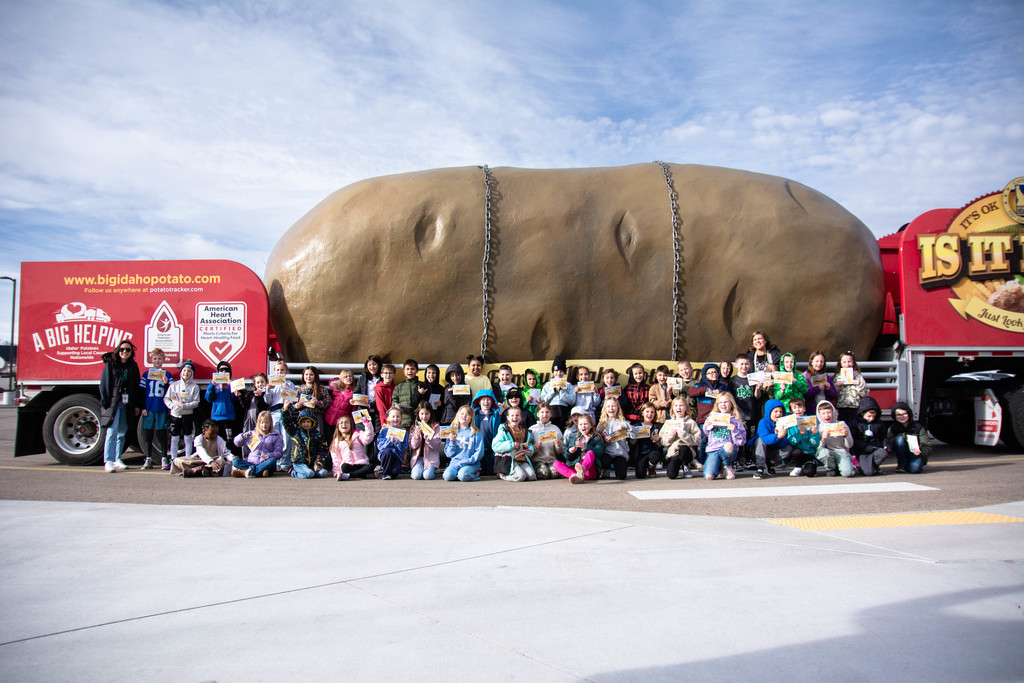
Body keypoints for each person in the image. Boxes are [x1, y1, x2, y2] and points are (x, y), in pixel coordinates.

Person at [99, 339, 143, 472]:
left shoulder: (133, 366)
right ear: (118, 351)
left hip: (127, 403)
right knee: (112, 431)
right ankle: (108, 461)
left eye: (128, 350)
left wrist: (136, 405)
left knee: (122, 431)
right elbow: (104, 384)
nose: (125, 352)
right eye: (122, 349)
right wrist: (106, 402)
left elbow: (136, 387)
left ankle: (117, 459)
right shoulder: (111, 364)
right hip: (114, 403)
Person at [701, 393, 747, 480]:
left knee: (728, 446)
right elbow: (705, 434)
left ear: (731, 404)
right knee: (709, 476)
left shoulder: (735, 420)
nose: (723, 405)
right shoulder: (711, 418)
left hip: (728, 450)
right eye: (720, 402)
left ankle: (727, 466)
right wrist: (707, 426)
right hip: (714, 449)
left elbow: (741, 442)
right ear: (717, 405)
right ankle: (719, 467)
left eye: (726, 402)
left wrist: (735, 431)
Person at [164, 359, 200, 469]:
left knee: (188, 438)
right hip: (175, 415)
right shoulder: (174, 385)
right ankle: (173, 460)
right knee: (174, 438)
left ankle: (187, 460)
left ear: (192, 374)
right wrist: (173, 406)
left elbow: (196, 402)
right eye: (184, 370)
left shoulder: (194, 387)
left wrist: (184, 406)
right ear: (181, 372)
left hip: (187, 415)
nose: (186, 373)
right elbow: (166, 398)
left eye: (189, 371)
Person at [139, 347, 171, 470]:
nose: (157, 361)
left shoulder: (167, 375)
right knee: (148, 434)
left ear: (163, 360)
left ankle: (164, 458)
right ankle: (148, 458)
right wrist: (142, 407)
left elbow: (171, 392)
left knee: (162, 433)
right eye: (155, 359)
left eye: (159, 359)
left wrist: (166, 383)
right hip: (149, 407)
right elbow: (141, 391)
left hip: (161, 407)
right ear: (151, 360)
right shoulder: (146, 374)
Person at [282, 400, 332, 478]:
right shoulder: (296, 432)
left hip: (312, 463)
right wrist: (285, 410)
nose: (306, 424)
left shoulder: (317, 434)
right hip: (299, 463)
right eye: (304, 422)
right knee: (309, 474)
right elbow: (287, 422)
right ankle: (294, 472)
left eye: (308, 422)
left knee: (323, 473)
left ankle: (310, 472)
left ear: (312, 422)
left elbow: (323, 450)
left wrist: (318, 463)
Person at [554, 411, 604, 484]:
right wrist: (570, 452)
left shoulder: (596, 438)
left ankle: (582, 469)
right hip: (575, 467)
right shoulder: (575, 439)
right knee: (556, 464)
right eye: (580, 424)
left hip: (589, 470)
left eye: (585, 424)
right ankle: (574, 475)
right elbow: (568, 458)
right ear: (578, 426)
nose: (583, 426)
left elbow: (599, 452)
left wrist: (585, 446)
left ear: (591, 425)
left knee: (590, 452)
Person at [231, 410, 283, 478]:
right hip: (251, 462)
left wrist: (268, 456)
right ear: (258, 423)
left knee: (272, 461)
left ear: (270, 423)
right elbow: (237, 443)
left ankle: (247, 471)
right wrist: (243, 436)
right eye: (262, 423)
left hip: (265, 463)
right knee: (235, 461)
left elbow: (279, 453)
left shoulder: (276, 436)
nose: (264, 425)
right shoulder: (253, 433)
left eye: (266, 423)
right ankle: (259, 472)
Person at [205, 360, 241, 456]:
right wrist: (211, 386)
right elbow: (208, 398)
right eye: (221, 370)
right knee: (218, 438)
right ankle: (219, 456)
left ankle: (230, 456)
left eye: (226, 370)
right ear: (218, 372)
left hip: (228, 416)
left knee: (229, 439)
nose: (224, 372)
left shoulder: (231, 384)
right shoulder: (214, 384)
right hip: (217, 416)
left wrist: (233, 388)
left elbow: (235, 399)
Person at [264, 359, 297, 462]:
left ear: (286, 372)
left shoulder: (289, 384)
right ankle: (276, 461)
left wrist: (286, 389)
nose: (280, 372)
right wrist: (268, 389)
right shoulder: (272, 384)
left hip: (285, 411)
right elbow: (268, 401)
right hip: (274, 412)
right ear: (274, 371)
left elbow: (291, 399)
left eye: (282, 370)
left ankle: (285, 462)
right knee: (275, 437)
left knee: (286, 438)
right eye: (277, 370)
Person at [492, 406, 536, 481]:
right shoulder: (504, 430)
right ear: (508, 418)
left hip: (522, 459)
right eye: (512, 415)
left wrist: (530, 451)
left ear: (521, 417)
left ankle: (517, 473)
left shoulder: (525, 431)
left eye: (517, 415)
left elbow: (529, 444)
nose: (515, 417)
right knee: (521, 477)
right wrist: (511, 445)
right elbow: (495, 446)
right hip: (510, 460)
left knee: (532, 476)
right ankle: (503, 476)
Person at [886, 402, 931, 474]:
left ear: (909, 414)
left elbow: (927, 445)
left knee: (915, 469)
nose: (902, 416)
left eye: (904, 414)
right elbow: (888, 442)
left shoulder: (918, 427)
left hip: (915, 454)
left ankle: (911, 464)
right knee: (899, 439)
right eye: (898, 415)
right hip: (902, 453)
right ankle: (902, 465)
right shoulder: (893, 428)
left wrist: (921, 452)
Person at [661, 396, 699, 479]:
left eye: (681, 405)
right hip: (674, 452)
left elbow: (698, 440)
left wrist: (684, 435)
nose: (678, 408)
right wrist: (670, 435)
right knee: (671, 475)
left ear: (686, 408)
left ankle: (686, 465)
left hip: (687, 451)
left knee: (683, 449)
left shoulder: (691, 422)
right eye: (676, 406)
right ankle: (677, 464)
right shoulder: (669, 423)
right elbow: (663, 442)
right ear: (672, 408)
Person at [753, 399, 792, 479]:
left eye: (781, 412)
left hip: (773, 451)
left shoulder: (784, 424)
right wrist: (777, 436)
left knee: (788, 448)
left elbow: (783, 444)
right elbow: (765, 439)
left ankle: (770, 463)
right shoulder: (763, 422)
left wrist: (782, 436)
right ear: (769, 412)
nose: (779, 414)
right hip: (759, 450)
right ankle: (760, 468)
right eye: (776, 411)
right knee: (760, 440)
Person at [443, 405, 484, 482]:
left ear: (471, 418)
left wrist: (468, 461)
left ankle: (475, 474)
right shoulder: (452, 432)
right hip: (455, 463)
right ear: (458, 415)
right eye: (462, 414)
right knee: (447, 476)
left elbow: (479, 453)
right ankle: (458, 474)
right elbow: (449, 454)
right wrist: (452, 442)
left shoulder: (476, 433)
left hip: (470, 463)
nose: (464, 416)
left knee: (463, 476)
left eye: (468, 415)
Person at [330, 414, 375, 480]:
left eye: (346, 422)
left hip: (361, 464)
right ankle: (364, 475)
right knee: (344, 467)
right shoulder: (336, 441)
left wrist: (367, 424)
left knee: (371, 466)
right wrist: (337, 472)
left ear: (351, 425)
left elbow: (368, 438)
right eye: (341, 423)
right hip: (349, 465)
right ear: (338, 427)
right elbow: (336, 459)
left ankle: (349, 475)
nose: (344, 424)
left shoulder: (358, 435)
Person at [816, 400, 855, 477]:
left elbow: (850, 445)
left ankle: (846, 464)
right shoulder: (819, 428)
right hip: (828, 453)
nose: (827, 415)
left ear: (833, 412)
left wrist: (846, 435)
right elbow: (818, 449)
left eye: (829, 412)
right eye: (823, 413)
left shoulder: (842, 425)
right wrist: (823, 439)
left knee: (848, 473)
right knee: (823, 453)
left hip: (842, 452)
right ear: (819, 415)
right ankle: (831, 468)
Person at [783, 397, 820, 477]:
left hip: (809, 453)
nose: (798, 410)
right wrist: (799, 434)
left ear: (804, 409)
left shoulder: (810, 421)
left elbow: (815, 444)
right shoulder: (790, 424)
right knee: (796, 452)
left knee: (810, 472)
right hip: (796, 455)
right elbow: (792, 442)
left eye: (800, 407)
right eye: (795, 408)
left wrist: (814, 434)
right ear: (791, 410)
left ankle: (807, 467)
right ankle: (797, 467)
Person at [597, 398, 632, 480]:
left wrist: (625, 426)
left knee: (621, 476)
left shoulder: (622, 422)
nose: (611, 408)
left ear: (618, 408)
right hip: (608, 452)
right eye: (608, 406)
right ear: (605, 409)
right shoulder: (602, 424)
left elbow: (634, 433)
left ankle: (619, 468)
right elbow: (597, 439)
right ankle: (606, 469)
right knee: (604, 461)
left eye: (613, 406)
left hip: (620, 452)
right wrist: (604, 440)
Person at [852, 396, 887, 476]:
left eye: (874, 416)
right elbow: (853, 440)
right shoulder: (855, 423)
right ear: (862, 413)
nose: (871, 418)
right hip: (861, 451)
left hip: (875, 449)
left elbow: (883, 436)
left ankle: (874, 466)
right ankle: (867, 467)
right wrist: (865, 447)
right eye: (869, 416)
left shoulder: (879, 423)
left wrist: (886, 444)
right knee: (868, 472)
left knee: (883, 453)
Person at [528, 402, 563, 479]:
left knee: (556, 474)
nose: (545, 414)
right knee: (544, 474)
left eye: (547, 412)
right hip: (538, 460)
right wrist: (536, 446)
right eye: (542, 412)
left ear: (551, 414)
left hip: (552, 460)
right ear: (538, 414)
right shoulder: (532, 429)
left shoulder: (555, 429)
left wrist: (558, 445)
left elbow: (560, 451)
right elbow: (529, 448)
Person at [409, 402, 442, 480]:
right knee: (416, 476)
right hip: (418, 458)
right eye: (422, 414)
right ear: (418, 414)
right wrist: (416, 437)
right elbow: (412, 446)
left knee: (427, 476)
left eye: (427, 414)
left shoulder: (436, 427)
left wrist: (429, 440)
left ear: (430, 414)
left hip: (430, 458)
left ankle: (430, 471)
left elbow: (436, 445)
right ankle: (420, 469)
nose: (424, 416)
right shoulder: (414, 428)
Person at [834, 351, 869, 426]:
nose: (847, 364)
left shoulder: (858, 376)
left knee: (855, 426)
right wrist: (837, 385)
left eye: (849, 362)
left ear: (853, 363)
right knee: (843, 425)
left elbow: (864, 393)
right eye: (844, 362)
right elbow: (833, 393)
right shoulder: (837, 376)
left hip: (855, 406)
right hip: (841, 407)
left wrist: (858, 384)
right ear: (840, 363)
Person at [630, 402, 663, 479]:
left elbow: (661, 445)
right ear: (642, 413)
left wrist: (658, 440)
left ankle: (651, 467)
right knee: (640, 475)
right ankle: (645, 466)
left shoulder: (657, 427)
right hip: (640, 454)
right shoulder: (636, 426)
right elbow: (631, 443)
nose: (649, 414)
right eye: (647, 412)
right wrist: (634, 437)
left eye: (652, 412)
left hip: (652, 452)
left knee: (655, 456)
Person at [541, 355, 575, 429]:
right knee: (551, 431)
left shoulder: (568, 385)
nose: (558, 373)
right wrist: (553, 391)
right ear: (553, 372)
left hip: (564, 412)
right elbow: (543, 400)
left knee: (563, 430)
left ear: (564, 372)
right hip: (551, 412)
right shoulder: (547, 385)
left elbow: (572, 401)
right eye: (556, 371)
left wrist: (562, 392)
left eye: (561, 371)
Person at [473, 389, 502, 476]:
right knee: (481, 472)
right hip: (479, 448)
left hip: (492, 448)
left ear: (492, 402)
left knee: (490, 472)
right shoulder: (474, 415)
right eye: (483, 400)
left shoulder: (497, 415)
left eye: (488, 400)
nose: (486, 402)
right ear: (479, 402)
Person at [376, 406, 409, 480]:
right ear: (388, 418)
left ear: (401, 418)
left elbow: (405, 448)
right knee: (388, 451)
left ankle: (389, 471)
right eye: (393, 417)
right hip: (386, 455)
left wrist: (397, 442)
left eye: (398, 417)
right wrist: (390, 440)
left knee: (394, 472)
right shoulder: (384, 430)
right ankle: (385, 473)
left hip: (397, 456)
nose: (395, 419)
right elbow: (380, 446)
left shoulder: (403, 432)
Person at [355, 354, 384, 433]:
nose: (372, 367)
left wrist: (373, 404)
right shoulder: (363, 378)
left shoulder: (383, 378)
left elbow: (384, 394)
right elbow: (357, 391)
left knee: (377, 432)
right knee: (364, 433)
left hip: (377, 410)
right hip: (364, 410)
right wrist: (356, 400)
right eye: (370, 365)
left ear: (379, 365)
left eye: (374, 364)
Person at [391, 359, 421, 428]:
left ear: (417, 370)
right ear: (404, 371)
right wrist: (395, 405)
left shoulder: (421, 385)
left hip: (418, 420)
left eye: (412, 369)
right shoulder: (399, 386)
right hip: (403, 420)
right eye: (407, 369)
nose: (410, 371)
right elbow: (394, 399)